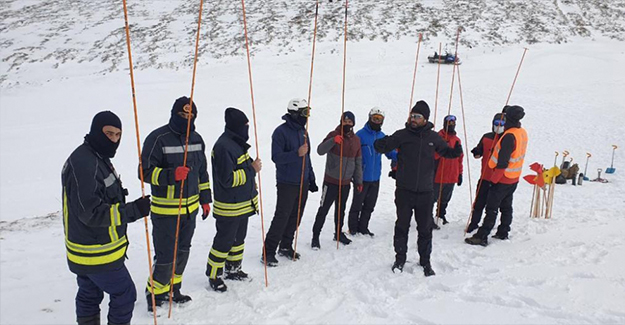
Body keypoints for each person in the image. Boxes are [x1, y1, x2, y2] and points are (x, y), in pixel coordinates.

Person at [62, 111, 151, 325]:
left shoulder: (95, 156)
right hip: (96, 251)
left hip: (85, 248)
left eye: (118, 135)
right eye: (109, 133)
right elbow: (91, 212)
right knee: (125, 293)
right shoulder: (86, 163)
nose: (113, 139)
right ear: (95, 131)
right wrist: (134, 210)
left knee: (89, 295)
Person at [374, 100, 463, 277]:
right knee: (402, 226)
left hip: (425, 192)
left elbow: (446, 152)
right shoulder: (402, 135)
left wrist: (456, 151)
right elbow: (382, 146)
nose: (413, 119)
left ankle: (425, 262)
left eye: (417, 116)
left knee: (425, 229)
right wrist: (381, 143)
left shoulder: (433, 138)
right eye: (412, 115)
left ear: (425, 119)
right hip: (404, 191)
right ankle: (400, 259)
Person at [140, 97, 212, 311]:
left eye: (191, 116)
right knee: (166, 255)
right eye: (183, 115)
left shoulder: (197, 139)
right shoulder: (157, 138)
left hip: (190, 210)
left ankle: (174, 288)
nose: (187, 119)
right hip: (166, 211)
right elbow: (144, 172)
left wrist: (206, 199)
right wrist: (171, 175)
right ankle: (154, 292)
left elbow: (202, 172)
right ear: (174, 114)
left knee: (183, 251)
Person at [206, 107, 260, 292]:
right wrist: (252, 169)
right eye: (245, 125)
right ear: (237, 126)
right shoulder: (223, 146)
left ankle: (233, 268)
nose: (247, 129)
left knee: (239, 239)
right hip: (229, 206)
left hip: (242, 204)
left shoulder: (236, 143)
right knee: (224, 241)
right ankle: (214, 274)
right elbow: (227, 179)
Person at [262, 99, 318, 266]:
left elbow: (307, 158)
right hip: (287, 182)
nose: (306, 117)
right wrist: (296, 153)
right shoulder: (280, 132)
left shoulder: (303, 132)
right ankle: (268, 251)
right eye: (303, 113)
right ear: (294, 113)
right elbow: (276, 157)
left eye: (307, 113)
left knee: (296, 217)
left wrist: (312, 178)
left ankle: (285, 246)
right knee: (282, 216)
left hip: (303, 182)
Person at [465, 106, 528, 246]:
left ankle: (482, 235)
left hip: (501, 178)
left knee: (491, 208)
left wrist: (494, 181)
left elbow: (502, 163)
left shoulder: (508, 136)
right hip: (513, 178)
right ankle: (503, 231)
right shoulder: (521, 132)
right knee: (506, 206)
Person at [311, 111, 363, 249]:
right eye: (345, 121)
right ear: (341, 121)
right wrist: (333, 141)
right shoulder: (334, 135)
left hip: (346, 183)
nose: (347, 123)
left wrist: (358, 181)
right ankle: (315, 236)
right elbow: (320, 150)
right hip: (331, 181)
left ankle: (338, 233)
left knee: (341, 210)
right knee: (323, 209)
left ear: (353, 123)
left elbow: (358, 162)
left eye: (350, 122)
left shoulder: (356, 140)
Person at [347, 107, 396, 237]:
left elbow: (391, 153)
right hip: (361, 177)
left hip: (375, 178)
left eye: (379, 119)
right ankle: (353, 228)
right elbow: (352, 155)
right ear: (370, 118)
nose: (377, 121)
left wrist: (402, 156)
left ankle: (363, 227)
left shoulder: (382, 136)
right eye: (375, 118)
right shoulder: (360, 135)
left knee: (370, 205)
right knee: (357, 204)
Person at [466, 112, 505, 233]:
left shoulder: (507, 139)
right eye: (496, 124)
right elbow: (479, 154)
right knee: (478, 203)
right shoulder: (486, 137)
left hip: (499, 179)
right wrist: (477, 151)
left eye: (501, 124)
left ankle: (488, 227)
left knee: (493, 207)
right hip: (485, 177)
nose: (498, 126)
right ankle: (473, 223)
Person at [432, 115, 463, 227]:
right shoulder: (437, 137)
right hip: (438, 174)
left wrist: (460, 174)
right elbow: (432, 156)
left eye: (453, 123)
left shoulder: (457, 140)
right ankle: (427, 217)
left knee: (445, 198)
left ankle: (441, 215)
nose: (451, 125)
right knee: (432, 197)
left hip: (451, 175)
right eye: (449, 123)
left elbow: (460, 158)